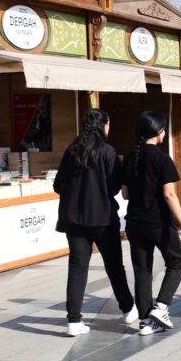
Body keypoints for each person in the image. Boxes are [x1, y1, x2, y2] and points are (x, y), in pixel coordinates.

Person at [54, 108, 135, 336]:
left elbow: (58, 185)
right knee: (114, 265)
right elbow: (115, 187)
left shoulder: (71, 151)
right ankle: (128, 309)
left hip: (74, 219)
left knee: (77, 268)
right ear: (103, 125)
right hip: (102, 218)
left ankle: (73, 320)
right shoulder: (108, 152)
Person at [123, 111, 181, 336]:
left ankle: (145, 322)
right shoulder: (162, 159)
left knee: (142, 271)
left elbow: (125, 194)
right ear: (158, 131)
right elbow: (169, 194)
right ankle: (161, 307)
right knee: (177, 263)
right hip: (158, 223)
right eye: (164, 129)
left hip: (135, 223)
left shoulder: (130, 157)